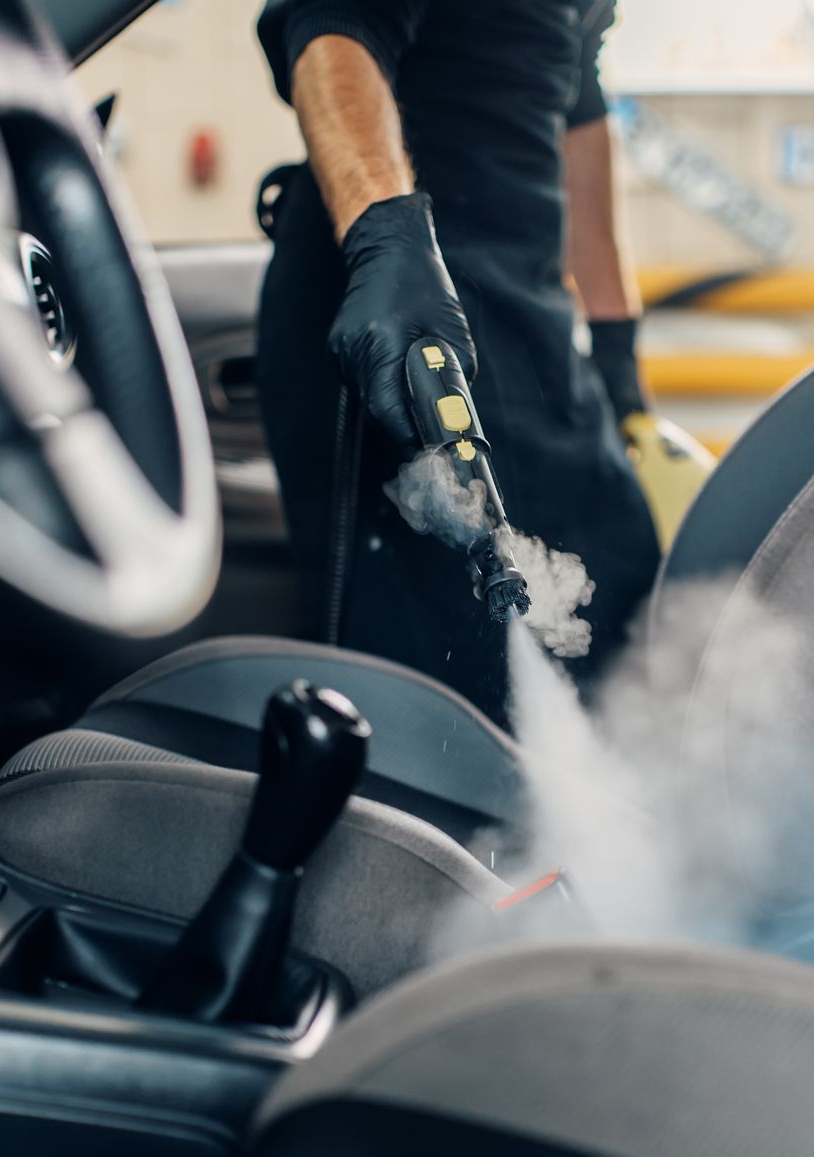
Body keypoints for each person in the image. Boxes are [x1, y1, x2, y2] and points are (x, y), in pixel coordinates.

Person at [254, 0, 660, 723]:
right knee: (438, 656)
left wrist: (616, 353)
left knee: (616, 577)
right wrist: (386, 238)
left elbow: (577, 100)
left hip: (528, 315)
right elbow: (337, 26)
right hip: (406, 311)